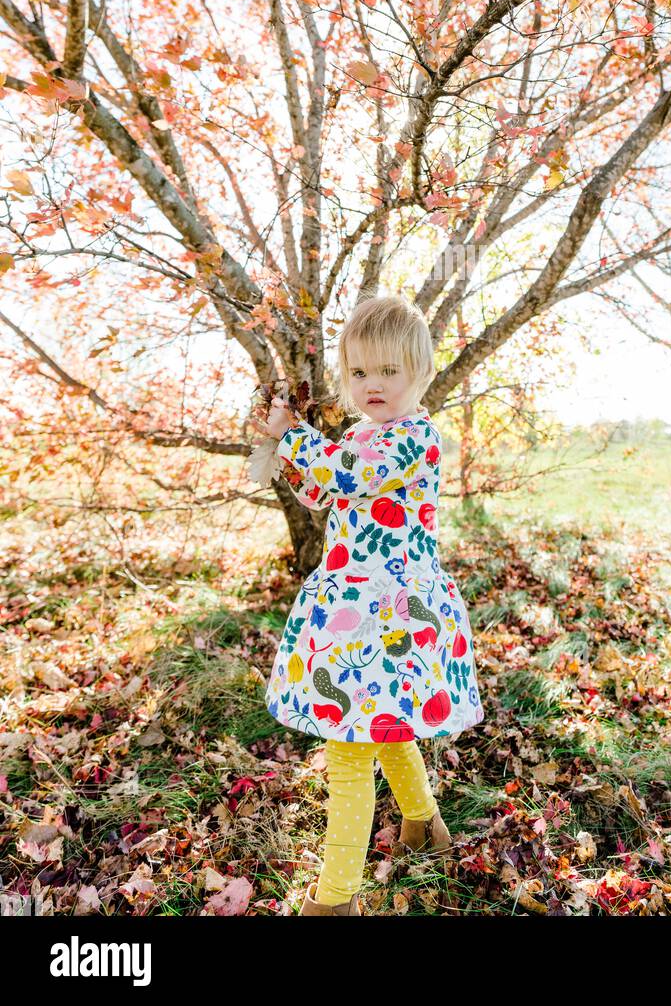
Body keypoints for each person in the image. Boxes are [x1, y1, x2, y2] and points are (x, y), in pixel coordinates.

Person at [248, 293, 484, 916]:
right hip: (353, 611)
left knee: (349, 757)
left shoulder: (413, 438)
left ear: (422, 375)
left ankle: (334, 902)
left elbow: (347, 473)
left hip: (393, 617)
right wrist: (286, 450)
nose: (372, 385)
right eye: (358, 372)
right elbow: (325, 492)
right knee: (376, 726)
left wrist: (294, 438)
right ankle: (423, 823)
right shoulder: (360, 432)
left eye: (388, 371)